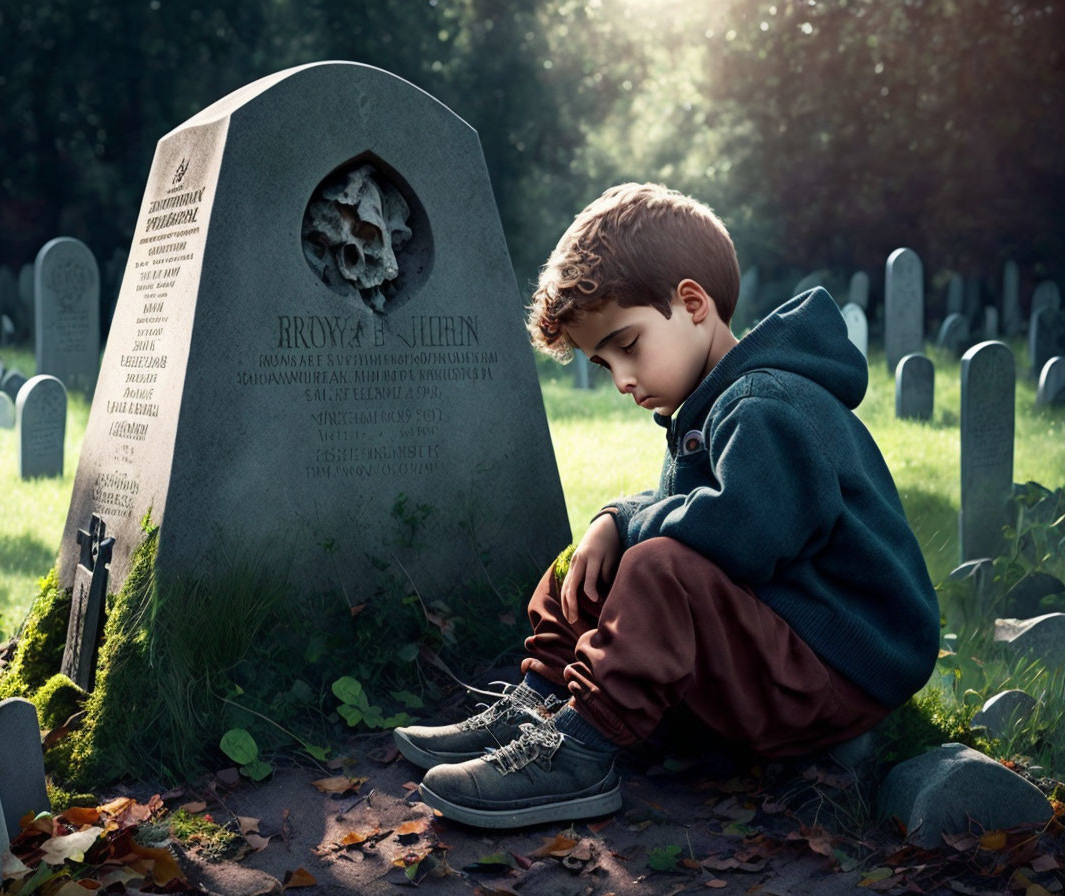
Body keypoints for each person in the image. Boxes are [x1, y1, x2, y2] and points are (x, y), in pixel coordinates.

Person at [393, 183, 939, 829]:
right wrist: (614, 521)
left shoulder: (767, 404)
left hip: (841, 673)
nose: (622, 378)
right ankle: (539, 704)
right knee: (592, 556)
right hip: (788, 646)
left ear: (692, 303)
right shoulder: (719, 403)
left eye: (628, 345)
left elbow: (741, 534)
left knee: (656, 564)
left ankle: (582, 752)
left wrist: (633, 531)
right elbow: (688, 514)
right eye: (603, 363)